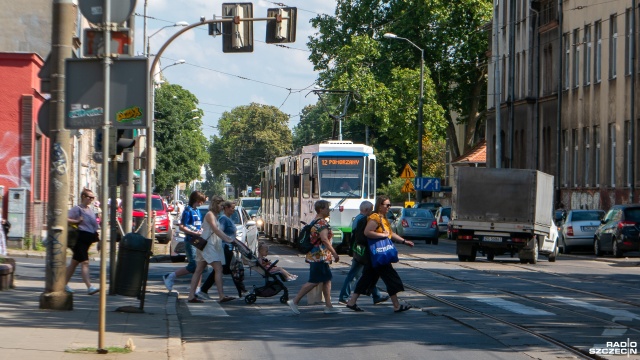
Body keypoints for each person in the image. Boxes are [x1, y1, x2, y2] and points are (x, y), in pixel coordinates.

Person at [345, 195, 414, 313]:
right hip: (378, 254)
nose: (389, 207)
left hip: (376, 256)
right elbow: (368, 232)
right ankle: (396, 306)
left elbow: (390, 234)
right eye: (387, 205)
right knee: (390, 278)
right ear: (380, 206)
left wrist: (403, 241)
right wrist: (383, 235)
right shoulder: (375, 218)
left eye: (389, 205)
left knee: (367, 278)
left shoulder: (383, 218)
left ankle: (352, 302)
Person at [287, 200, 341, 315]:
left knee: (327, 280)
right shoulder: (321, 223)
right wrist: (334, 253)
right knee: (314, 281)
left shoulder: (314, 220)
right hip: (319, 256)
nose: (329, 210)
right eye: (327, 208)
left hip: (317, 256)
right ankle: (294, 301)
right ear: (321, 209)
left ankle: (328, 305)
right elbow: (325, 240)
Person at [338, 200, 389, 305]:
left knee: (367, 274)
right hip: (362, 251)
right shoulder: (363, 220)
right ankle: (343, 296)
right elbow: (364, 236)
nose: (372, 212)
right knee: (355, 274)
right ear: (366, 210)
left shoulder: (357, 218)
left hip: (358, 250)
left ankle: (376, 295)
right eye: (371, 210)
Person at [187, 196, 236, 303]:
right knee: (218, 269)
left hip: (210, 245)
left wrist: (228, 239)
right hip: (208, 246)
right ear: (215, 204)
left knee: (199, 270)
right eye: (221, 205)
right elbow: (216, 230)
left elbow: (217, 231)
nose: (222, 208)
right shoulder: (210, 214)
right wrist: (228, 239)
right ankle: (221, 295)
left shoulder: (215, 215)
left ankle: (191, 296)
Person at [197, 200, 245, 299]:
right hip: (224, 247)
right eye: (231, 208)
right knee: (229, 269)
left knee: (223, 269)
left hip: (226, 246)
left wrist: (233, 240)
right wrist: (228, 239)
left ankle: (204, 290)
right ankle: (240, 291)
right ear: (226, 208)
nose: (233, 210)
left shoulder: (227, 218)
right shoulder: (222, 219)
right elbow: (218, 231)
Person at [163, 191, 207, 293]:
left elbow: (199, 225)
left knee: (200, 265)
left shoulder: (197, 211)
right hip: (190, 240)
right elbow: (182, 226)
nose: (202, 203)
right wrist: (192, 232)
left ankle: (197, 288)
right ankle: (170, 276)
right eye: (201, 201)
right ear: (196, 200)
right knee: (193, 265)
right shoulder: (188, 211)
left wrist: (201, 231)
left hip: (198, 240)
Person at [65, 188, 100, 295]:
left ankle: (62, 284)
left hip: (88, 239)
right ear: (83, 197)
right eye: (90, 197)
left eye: (93, 198)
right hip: (80, 239)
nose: (91, 200)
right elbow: (65, 218)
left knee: (74, 263)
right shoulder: (77, 209)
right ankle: (89, 287)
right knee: (85, 262)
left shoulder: (90, 210)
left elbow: (94, 226)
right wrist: (76, 221)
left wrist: (99, 240)